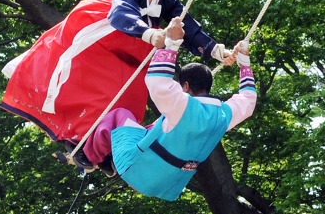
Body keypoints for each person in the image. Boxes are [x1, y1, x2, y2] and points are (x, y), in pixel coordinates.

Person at [0, 0, 233, 157]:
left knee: (129, 98)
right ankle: (75, 132)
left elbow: (189, 27)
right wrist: (150, 33)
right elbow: (121, 13)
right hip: (111, 34)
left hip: (137, 48)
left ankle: (104, 149)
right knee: (87, 82)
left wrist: (217, 51)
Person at [82, 21, 256, 199]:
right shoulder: (223, 115)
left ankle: (90, 156)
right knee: (155, 126)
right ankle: (107, 157)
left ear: (185, 86)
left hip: (136, 168)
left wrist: (172, 44)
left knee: (119, 114)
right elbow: (248, 101)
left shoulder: (184, 106)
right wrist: (245, 66)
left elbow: (157, 82)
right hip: (166, 185)